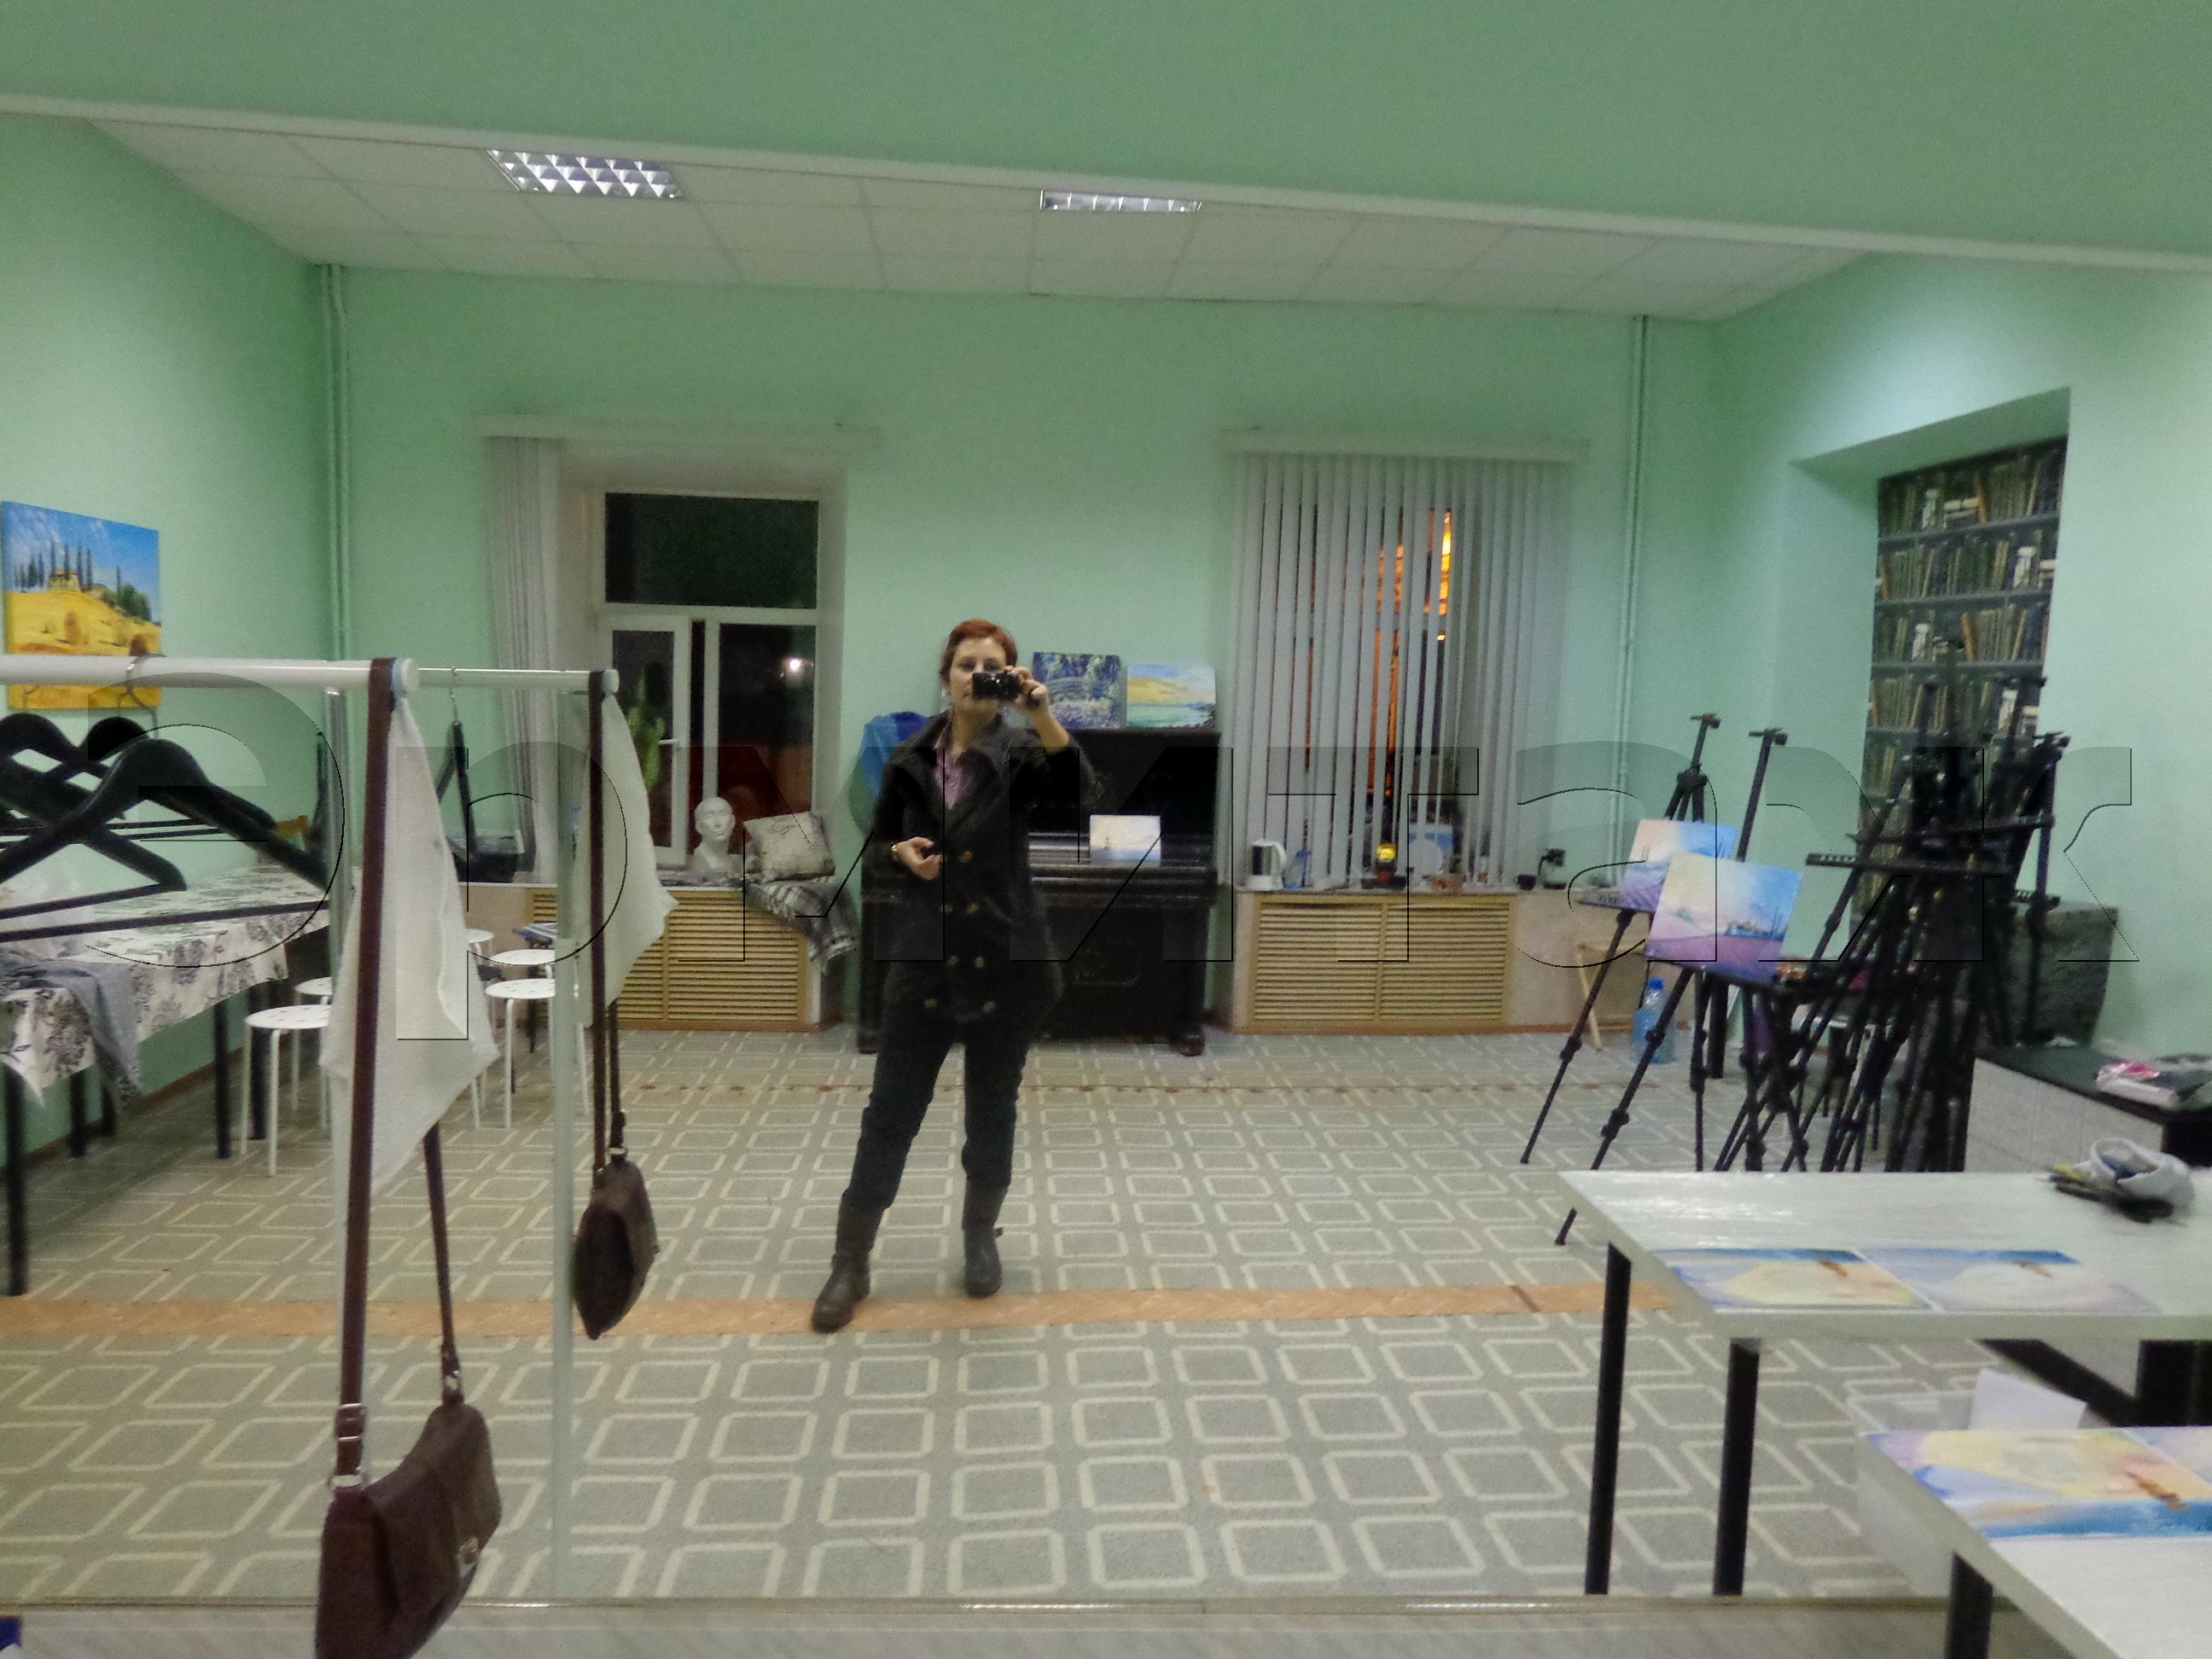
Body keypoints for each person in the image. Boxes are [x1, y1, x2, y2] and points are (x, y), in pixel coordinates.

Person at [812, 619, 1096, 1333]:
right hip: (926, 965)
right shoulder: (908, 758)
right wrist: (898, 855)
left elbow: (1080, 796)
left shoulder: (1024, 752)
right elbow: (878, 844)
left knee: (991, 1111)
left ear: (1010, 679)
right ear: (946, 678)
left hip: (1005, 964)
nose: (977, 675)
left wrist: (1042, 713)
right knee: (889, 1116)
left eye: (992, 665)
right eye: (967, 664)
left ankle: (978, 1237)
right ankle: (850, 1262)